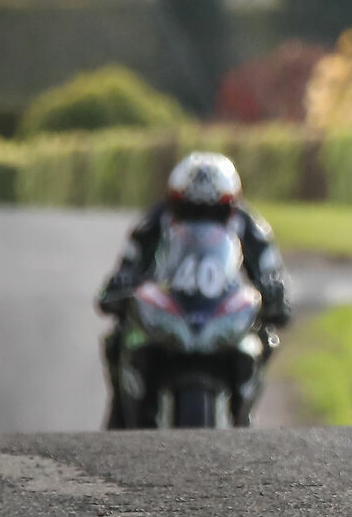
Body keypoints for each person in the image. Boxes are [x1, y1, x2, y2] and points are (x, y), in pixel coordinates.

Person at [97, 151, 293, 428]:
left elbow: (271, 271)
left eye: (214, 211)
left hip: (220, 308)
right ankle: (123, 422)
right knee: (122, 338)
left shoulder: (250, 225)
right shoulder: (154, 221)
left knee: (262, 337)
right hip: (170, 307)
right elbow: (128, 265)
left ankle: (244, 417)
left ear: (231, 205)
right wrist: (120, 284)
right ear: (173, 202)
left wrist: (274, 292)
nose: (201, 220)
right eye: (189, 210)